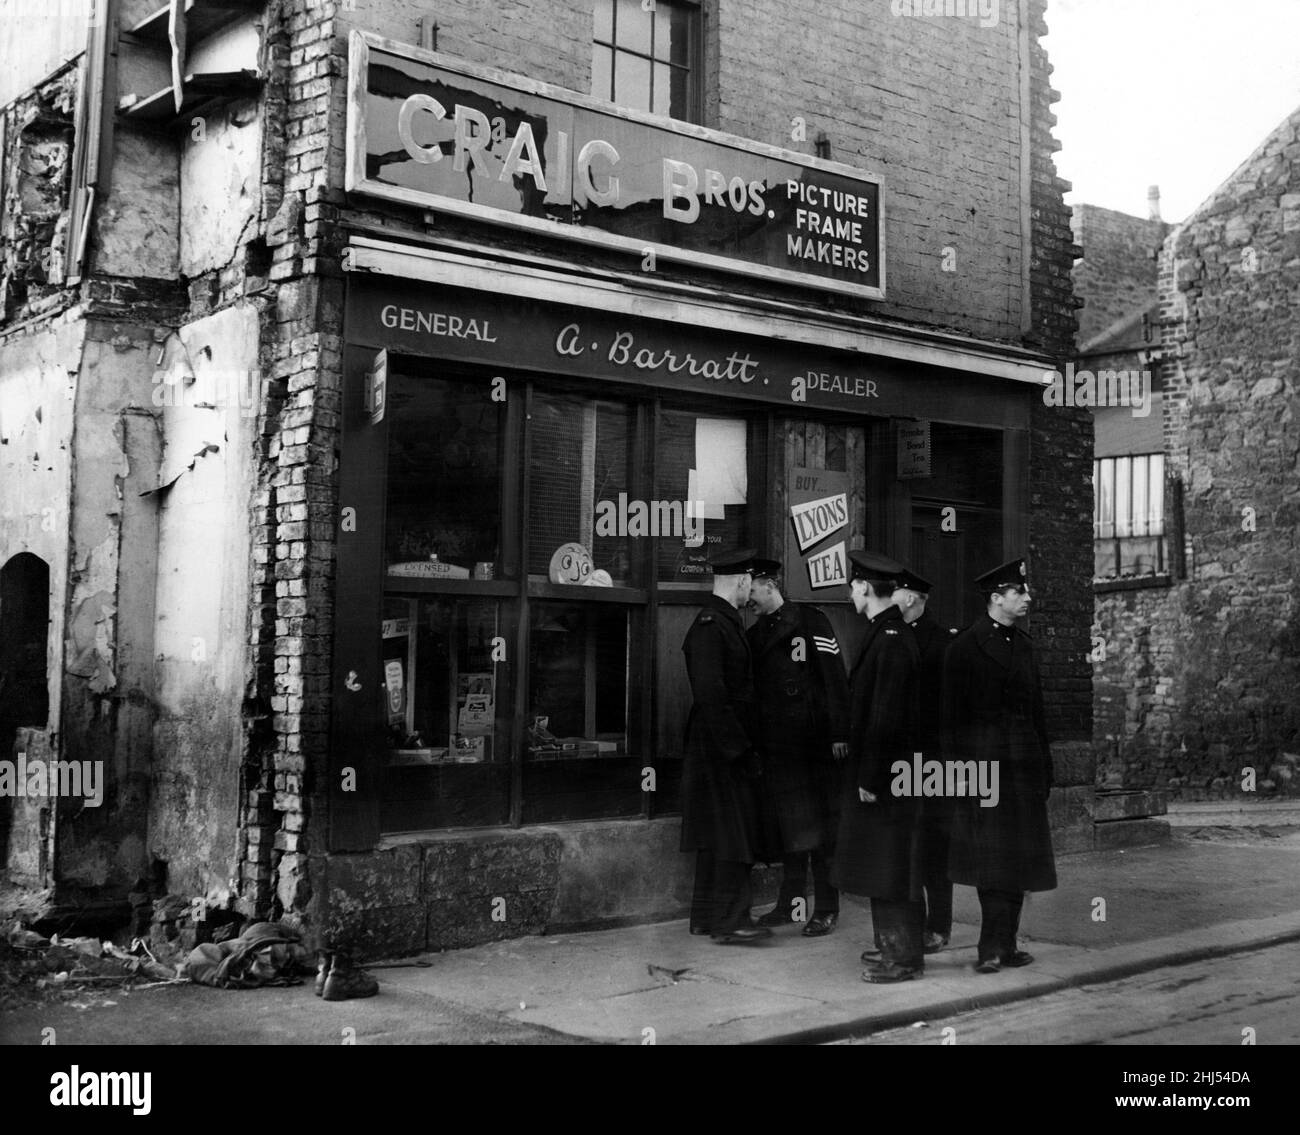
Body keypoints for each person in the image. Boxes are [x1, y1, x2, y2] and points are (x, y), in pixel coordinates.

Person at [943, 557, 1057, 974]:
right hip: (983, 770)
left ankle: (1006, 944)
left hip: (1022, 768)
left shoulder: (1024, 647)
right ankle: (990, 948)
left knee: (1018, 858)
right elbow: (950, 720)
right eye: (1018, 592)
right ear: (996, 599)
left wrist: (1044, 766)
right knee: (992, 860)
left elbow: (1038, 713)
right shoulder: (964, 648)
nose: (1027, 598)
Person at [830, 551, 925, 983]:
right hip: (891, 774)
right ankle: (894, 947)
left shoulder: (890, 639)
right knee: (883, 863)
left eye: (853, 585)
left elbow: (885, 717)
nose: (850, 592)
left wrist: (871, 777)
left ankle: (901, 958)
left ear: (866, 588)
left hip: (887, 777)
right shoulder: (886, 634)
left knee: (890, 865)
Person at [746, 558, 850, 937]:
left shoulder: (810, 621)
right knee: (790, 830)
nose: (748, 599)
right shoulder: (756, 635)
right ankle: (790, 905)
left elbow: (834, 677)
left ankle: (826, 908)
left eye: (752, 589)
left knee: (821, 832)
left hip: (815, 746)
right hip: (779, 749)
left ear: (770, 584)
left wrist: (840, 732)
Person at [679, 547, 774, 945]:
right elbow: (712, 695)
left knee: (716, 833)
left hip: (719, 745)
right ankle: (731, 919)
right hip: (721, 748)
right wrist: (740, 750)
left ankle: (706, 916)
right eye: (749, 583)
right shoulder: (711, 624)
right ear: (740, 581)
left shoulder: (721, 621)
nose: (750, 591)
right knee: (733, 832)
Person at [893, 568, 960, 954]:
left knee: (936, 845)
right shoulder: (893, 635)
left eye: (899, 591)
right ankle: (913, 924)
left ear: (914, 597)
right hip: (901, 760)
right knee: (908, 845)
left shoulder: (943, 641)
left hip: (935, 761)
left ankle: (939, 925)